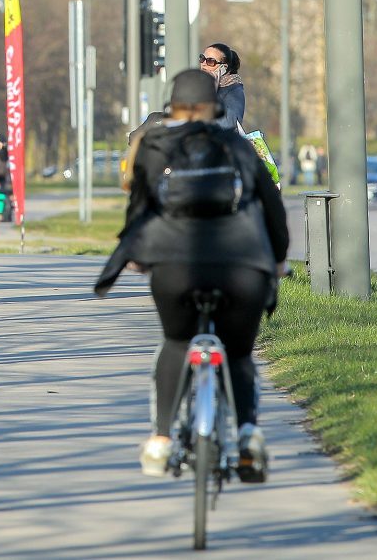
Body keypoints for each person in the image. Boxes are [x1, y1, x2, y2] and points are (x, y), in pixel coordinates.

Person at [95, 69, 289, 483]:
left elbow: (140, 212)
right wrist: (277, 260)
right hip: (243, 267)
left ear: (174, 106)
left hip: (176, 267)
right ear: (216, 106)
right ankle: (249, 435)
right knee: (237, 353)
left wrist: (138, 256)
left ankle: (162, 439)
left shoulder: (156, 145)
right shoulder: (238, 147)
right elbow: (272, 207)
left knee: (177, 341)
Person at [199, 43, 244, 131]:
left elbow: (228, 125)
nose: (204, 64)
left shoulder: (234, 90)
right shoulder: (200, 86)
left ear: (223, 68)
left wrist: (212, 93)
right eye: (202, 58)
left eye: (210, 61)